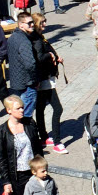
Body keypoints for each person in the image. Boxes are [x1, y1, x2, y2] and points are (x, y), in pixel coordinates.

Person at [0, 95, 43, 195]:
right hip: (17, 174)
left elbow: (38, 148)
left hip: (33, 171)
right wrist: (6, 181)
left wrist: (42, 166)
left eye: (22, 107)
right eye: (18, 108)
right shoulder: (2, 132)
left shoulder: (30, 123)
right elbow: (2, 159)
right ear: (9, 110)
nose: (22, 110)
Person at [31, 13, 67, 154]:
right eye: (42, 22)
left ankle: (44, 137)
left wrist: (56, 57)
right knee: (58, 109)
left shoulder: (38, 37)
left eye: (45, 22)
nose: (45, 24)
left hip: (43, 78)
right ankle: (57, 142)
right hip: (45, 79)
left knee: (40, 109)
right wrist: (51, 56)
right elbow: (40, 57)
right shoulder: (38, 40)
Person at [8, 12, 39, 117]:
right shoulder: (24, 41)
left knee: (17, 114)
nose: (32, 25)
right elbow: (30, 64)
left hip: (16, 83)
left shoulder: (12, 38)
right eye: (29, 23)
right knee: (25, 116)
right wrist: (35, 80)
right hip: (27, 84)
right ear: (20, 25)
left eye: (33, 22)